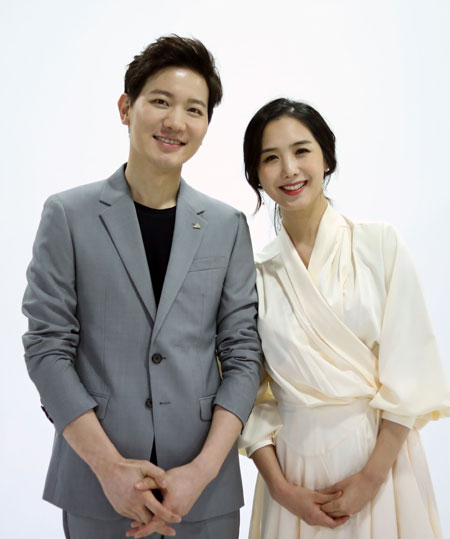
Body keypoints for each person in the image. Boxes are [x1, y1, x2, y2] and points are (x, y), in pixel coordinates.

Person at [22, 35, 262, 539]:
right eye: (160, 101)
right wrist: (108, 468)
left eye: (194, 109)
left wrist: (202, 472)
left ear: (206, 125)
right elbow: (47, 348)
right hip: (96, 485)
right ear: (125, 108)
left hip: (204, 491)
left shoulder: (227, 225)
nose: (176, 121)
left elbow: (243, 356)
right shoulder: (68, 215)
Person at [239, 97, 450, 538]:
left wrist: (371, 478)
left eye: (301, 151)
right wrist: (280, 488)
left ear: (327, 158)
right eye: (270, 158)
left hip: (381, 463)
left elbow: (409, 371)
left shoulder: (379, 245)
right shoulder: (253, 273)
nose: (289, 169)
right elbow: (247, 395)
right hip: (293, 473)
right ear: (256, 174)